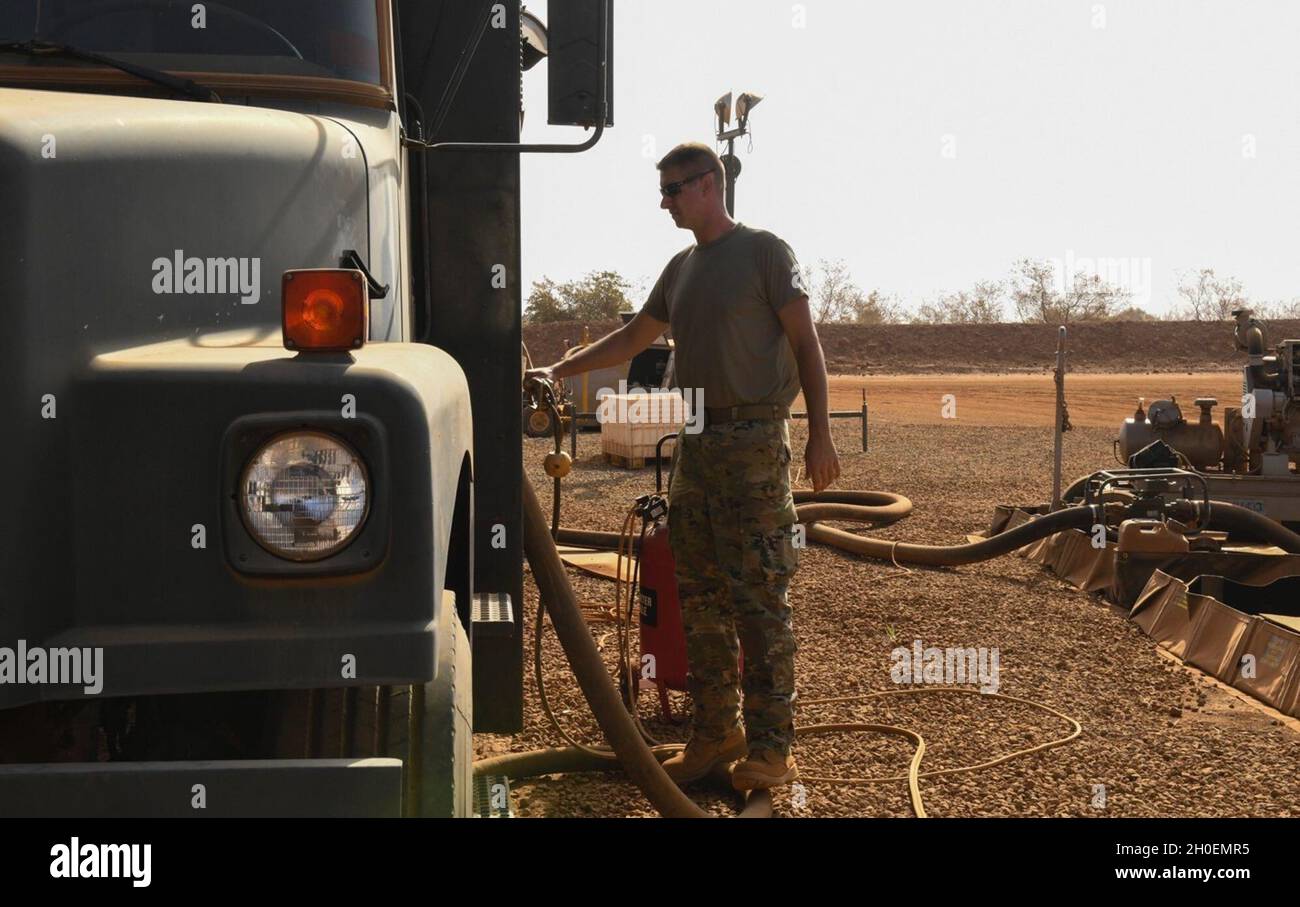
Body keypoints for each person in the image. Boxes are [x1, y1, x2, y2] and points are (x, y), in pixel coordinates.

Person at [526, 142, 839, 791]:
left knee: (759, 597)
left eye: (671, 189)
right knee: (697, 596)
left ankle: (773, 747)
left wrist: (820, 436)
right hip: (697, 444)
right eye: (663, 189)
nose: (663, 201)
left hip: (756, 438)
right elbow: (635, 337)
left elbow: (807, 343)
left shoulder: (765, 253)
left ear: (708, 186)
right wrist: (559, 369)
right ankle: (715, 732)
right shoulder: (681, 267)